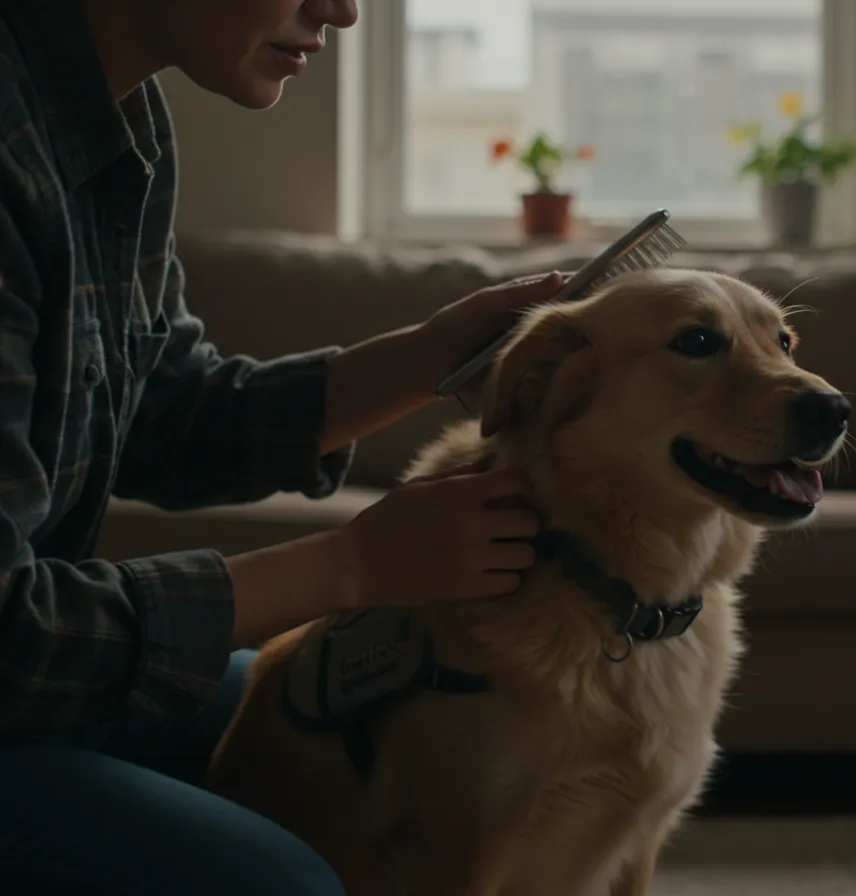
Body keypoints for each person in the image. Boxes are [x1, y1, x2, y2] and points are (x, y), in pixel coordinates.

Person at [0, 1, 557, 892]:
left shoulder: (119, 122)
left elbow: (163, 413)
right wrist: (352, 567)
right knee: (281, 881)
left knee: (329, 710)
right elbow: (12, 635)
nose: (342, 10)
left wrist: (428, 357)